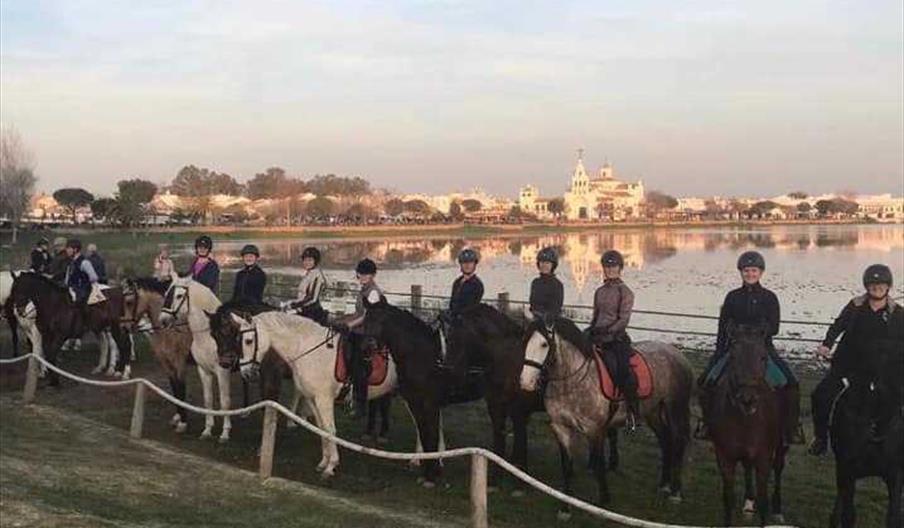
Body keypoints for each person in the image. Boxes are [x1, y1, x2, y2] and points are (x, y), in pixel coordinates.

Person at [696, 251, 802, 444]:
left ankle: (791, 428)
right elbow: (723, 326)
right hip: (734, 350)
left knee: (791, 382)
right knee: (705, 381)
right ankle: (707, 424)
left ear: (761, 272)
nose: (750, 274)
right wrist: (719, 353)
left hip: (762, 350)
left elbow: (775, 327)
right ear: (741, 272)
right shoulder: (732, 297)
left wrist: (754, 333)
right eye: (746, 271)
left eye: (754, 270)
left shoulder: (770, 297)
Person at [808, 264, 904, 456]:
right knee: (820, 395)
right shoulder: (855, 306)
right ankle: (820, 438)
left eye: (882, 284)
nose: (877, 288)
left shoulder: (898, 314)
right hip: (848, 367)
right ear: (866, 286)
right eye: (873, 284)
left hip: (883, 370)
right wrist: (826, 344)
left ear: (888, 287)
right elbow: (837, 326)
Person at [586, 249, 639, 429]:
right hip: (598, 336)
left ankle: (632, 410)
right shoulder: (599, 292)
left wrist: (607, 331)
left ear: (620, 268)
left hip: (616, 338)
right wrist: (590, 330)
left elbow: (623, 320)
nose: (610, 270)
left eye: (613, 266)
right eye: (607, 266)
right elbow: (596, 316)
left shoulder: (626, 292)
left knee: (623, 370)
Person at [330, 258, 385, 417]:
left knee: (357, 362)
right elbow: (357, 313)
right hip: (359, 329)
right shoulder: (363, 290)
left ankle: (360, 403)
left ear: (372, 275)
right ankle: (343, 386)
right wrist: (340, 320)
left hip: (368, 332)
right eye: (360, 274)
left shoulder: (373, 292)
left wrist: (349, 325)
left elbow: (367, 317)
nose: (362, 276)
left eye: (366, 274)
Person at [280, 246, 329, 325]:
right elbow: (302, 296)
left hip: (311, 312)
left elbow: (312, 298)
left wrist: (294, 306)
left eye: (310, 260)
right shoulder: (309, 274)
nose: (307, 262)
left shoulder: (317, 275)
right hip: (303, 309)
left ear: (315, 261)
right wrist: (289, 303)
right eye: (305, 260)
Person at [528, 246, 564, 321]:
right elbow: (532, 304)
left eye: (547, 263)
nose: (544, 265)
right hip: (534, 320)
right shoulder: (535, 282)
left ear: (553, 265)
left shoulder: (557, 285)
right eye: (542, 262)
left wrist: (541, 316)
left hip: (550, 323)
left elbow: (555, 309)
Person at [64, 239, 99, 305]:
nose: (67, 251)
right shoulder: (71, 263)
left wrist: (83, 284)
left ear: (75, 250)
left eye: (69, 248)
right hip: (71, 290)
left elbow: (94, 277)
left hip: (82, 292)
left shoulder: (84, 262)